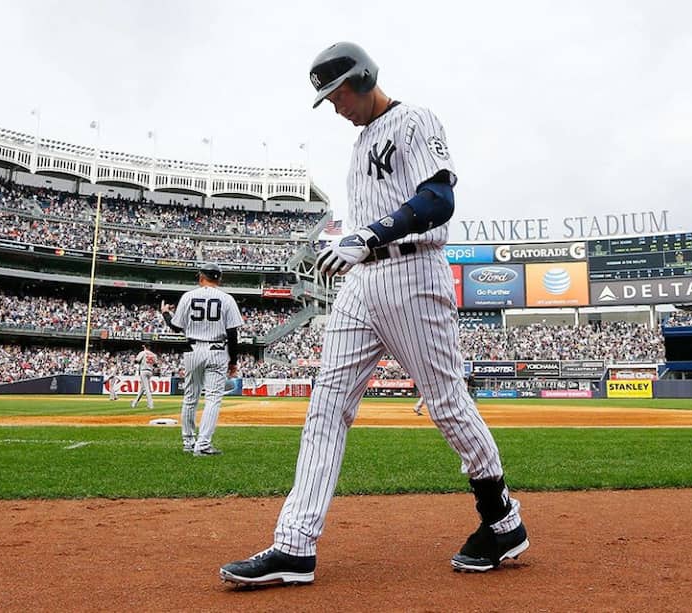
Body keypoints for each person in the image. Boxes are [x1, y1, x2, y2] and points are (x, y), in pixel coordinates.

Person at [221, 41, 528, 587]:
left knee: (446, 404)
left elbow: (439, 200)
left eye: (336, 93)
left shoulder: (414, 120)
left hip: (415, 272)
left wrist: (368, 235)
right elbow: (369, 222)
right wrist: (352, 244)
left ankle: (501, 517)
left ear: (362, 79)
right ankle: (294, 545)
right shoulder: (359, 143)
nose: (333, 106)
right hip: (364, 282)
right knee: (326, 403)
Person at [160, 263, 243, 456]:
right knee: (213, 398)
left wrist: (165, 313)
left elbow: (176, 327)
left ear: (201, 277)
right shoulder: (227, 299)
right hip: (217, 349)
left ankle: (188, 442)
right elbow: (232, 333)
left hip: (193, 348)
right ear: (219, 279)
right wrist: (233, 361)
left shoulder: (188, 296)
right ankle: (203, 444)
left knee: (190, 398)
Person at [130, 343, 157, 410]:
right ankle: (134, 403)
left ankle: (151, 405)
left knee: (147, 389)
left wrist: (133, 360)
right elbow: (155, 365)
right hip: (150, 371)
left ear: (145, 347)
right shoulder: (153, 354)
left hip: (143, 371)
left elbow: (137, 361)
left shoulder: (143, 352)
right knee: (142, 389)